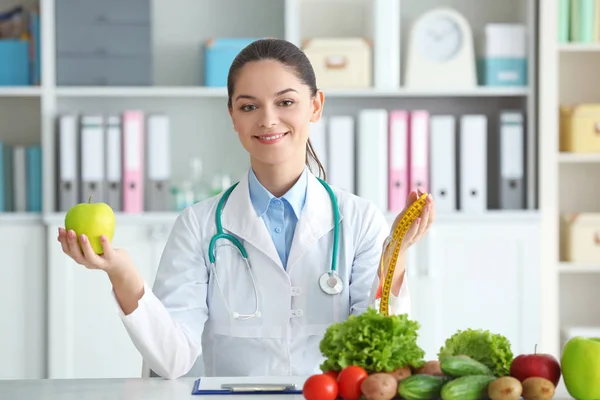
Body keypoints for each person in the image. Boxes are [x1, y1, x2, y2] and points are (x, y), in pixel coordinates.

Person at [56, 38, 435, 380]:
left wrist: (394, 256)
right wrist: (122, 274)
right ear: (233, 117)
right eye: (249, 106)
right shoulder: (198, 225)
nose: (268, 119)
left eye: (285, 102)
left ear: (315, 106)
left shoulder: (360, 220)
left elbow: (381, 360)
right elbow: (172, 359)